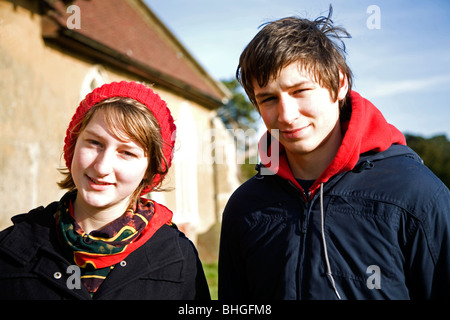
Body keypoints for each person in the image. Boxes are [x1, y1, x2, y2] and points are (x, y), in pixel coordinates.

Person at [218, 8, 450, 300]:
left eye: (300, 91)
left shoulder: (417, 195)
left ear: (339, 84)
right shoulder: (244, 206)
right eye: (269, 99)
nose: (287, 115)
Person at [0, 81, 210, 300]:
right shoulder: (11, 249)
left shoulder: (177, 258)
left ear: (149, 170)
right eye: (94, 143)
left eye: (127, 153)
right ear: (73, 146)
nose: (101, 167)